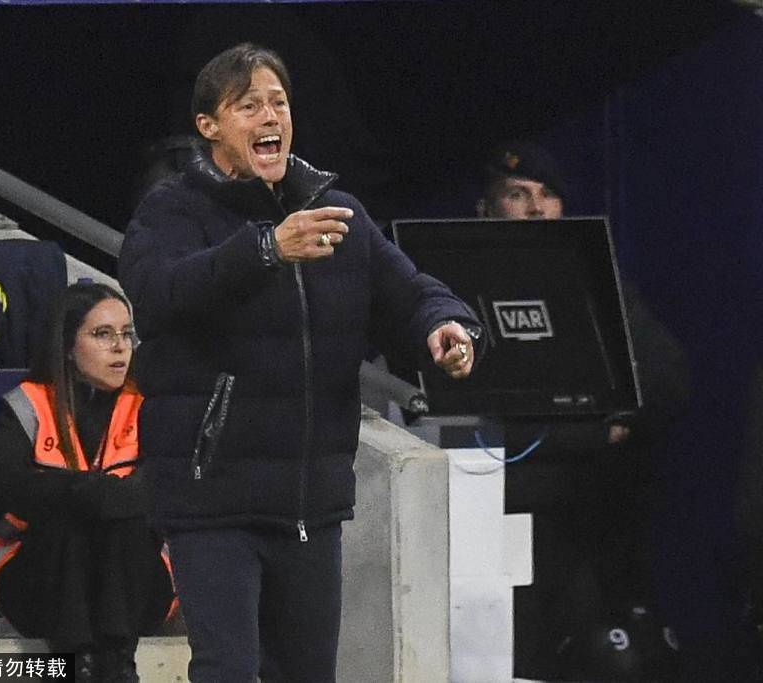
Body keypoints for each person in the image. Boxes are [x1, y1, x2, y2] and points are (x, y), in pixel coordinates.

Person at [118, 43, 483, 682]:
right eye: (248, 105)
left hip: (310, 503)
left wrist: (445, 324)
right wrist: (265, 249)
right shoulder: (173, 209)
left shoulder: (336, 213)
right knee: (229, 672)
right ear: (209, 126)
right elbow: (158, 294)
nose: (270, 117)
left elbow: (406, 292)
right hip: (212, 499)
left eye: (279, 103)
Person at [477, 140, 691, 680]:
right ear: (486, 208)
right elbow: (475, 417)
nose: (536, 208)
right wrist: (589, 434)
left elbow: (666, 377)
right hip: (495, 511)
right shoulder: (453, 286)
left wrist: (613, 427)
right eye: (518, 194)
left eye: (547, 195)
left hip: (586, 515)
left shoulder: (596, 282)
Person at [0, 282, 174, 682]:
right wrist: (88, 492)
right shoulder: (28, 404)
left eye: (127, 334)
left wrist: (88, 494)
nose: (120, 348)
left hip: (138, 582)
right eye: (103, 334)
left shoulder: (152, 404)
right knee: (70, 517)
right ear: (68, 345)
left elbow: (163, 488)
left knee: (121, 521)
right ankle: (77, 664)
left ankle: (117, 663)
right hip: (38, 579)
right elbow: (6, 485)